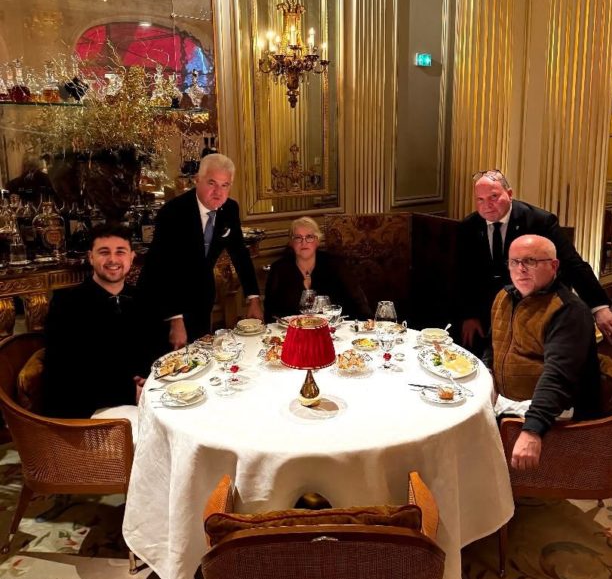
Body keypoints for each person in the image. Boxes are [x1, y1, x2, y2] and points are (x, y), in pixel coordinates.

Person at [458, 169, 612, 349]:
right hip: (488, 310)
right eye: (480, 199)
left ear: (509, 194)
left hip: (536, 306)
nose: (487, 206)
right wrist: (469, 315)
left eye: (493, 197)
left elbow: (572, 263)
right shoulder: (469, 225)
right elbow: (464, 273)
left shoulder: (540, 221)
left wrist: (599, 308)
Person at [489, 234, 602, 470]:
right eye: (514, 262)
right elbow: (494, 346)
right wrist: (489, 377)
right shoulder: (504, 297)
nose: (520, 269)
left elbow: (558, 376)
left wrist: (532, 430)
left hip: (553, 413)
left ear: (554, 265)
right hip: (508, 402)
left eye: (530, 261)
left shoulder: (568, 311)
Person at [137, 153, 262, 353]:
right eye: (212, 183)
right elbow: (162, 268)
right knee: (169, 360)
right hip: (164, 299)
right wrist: (175, 319)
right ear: (197, 180)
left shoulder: (230, 209)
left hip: (201, 296)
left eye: (225, 185)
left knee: (200, 356)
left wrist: (253, 298)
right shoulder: (172, 212)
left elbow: (240, 253)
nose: (218, 192)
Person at [42, 224, 147, 425]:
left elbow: (152, 351)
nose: (113, 259)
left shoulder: (142, 298)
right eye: (104, 252)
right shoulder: (66, 304)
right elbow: (64, 372)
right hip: (84, 412)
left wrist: (148, 381)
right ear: (91, 257)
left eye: (120, 252)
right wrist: (128, 390)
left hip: (140, 399)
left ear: (132, 257)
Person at [264, 216, 371, 322]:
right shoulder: (279, 269)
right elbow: (270, 312)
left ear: (317, 241)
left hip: (334, 329)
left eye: (309, 237)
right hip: (290, 330)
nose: (304, 242)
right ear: (291, 242)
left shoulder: (336, 265)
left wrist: (367, 324)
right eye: (298, 237)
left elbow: (358, 303)